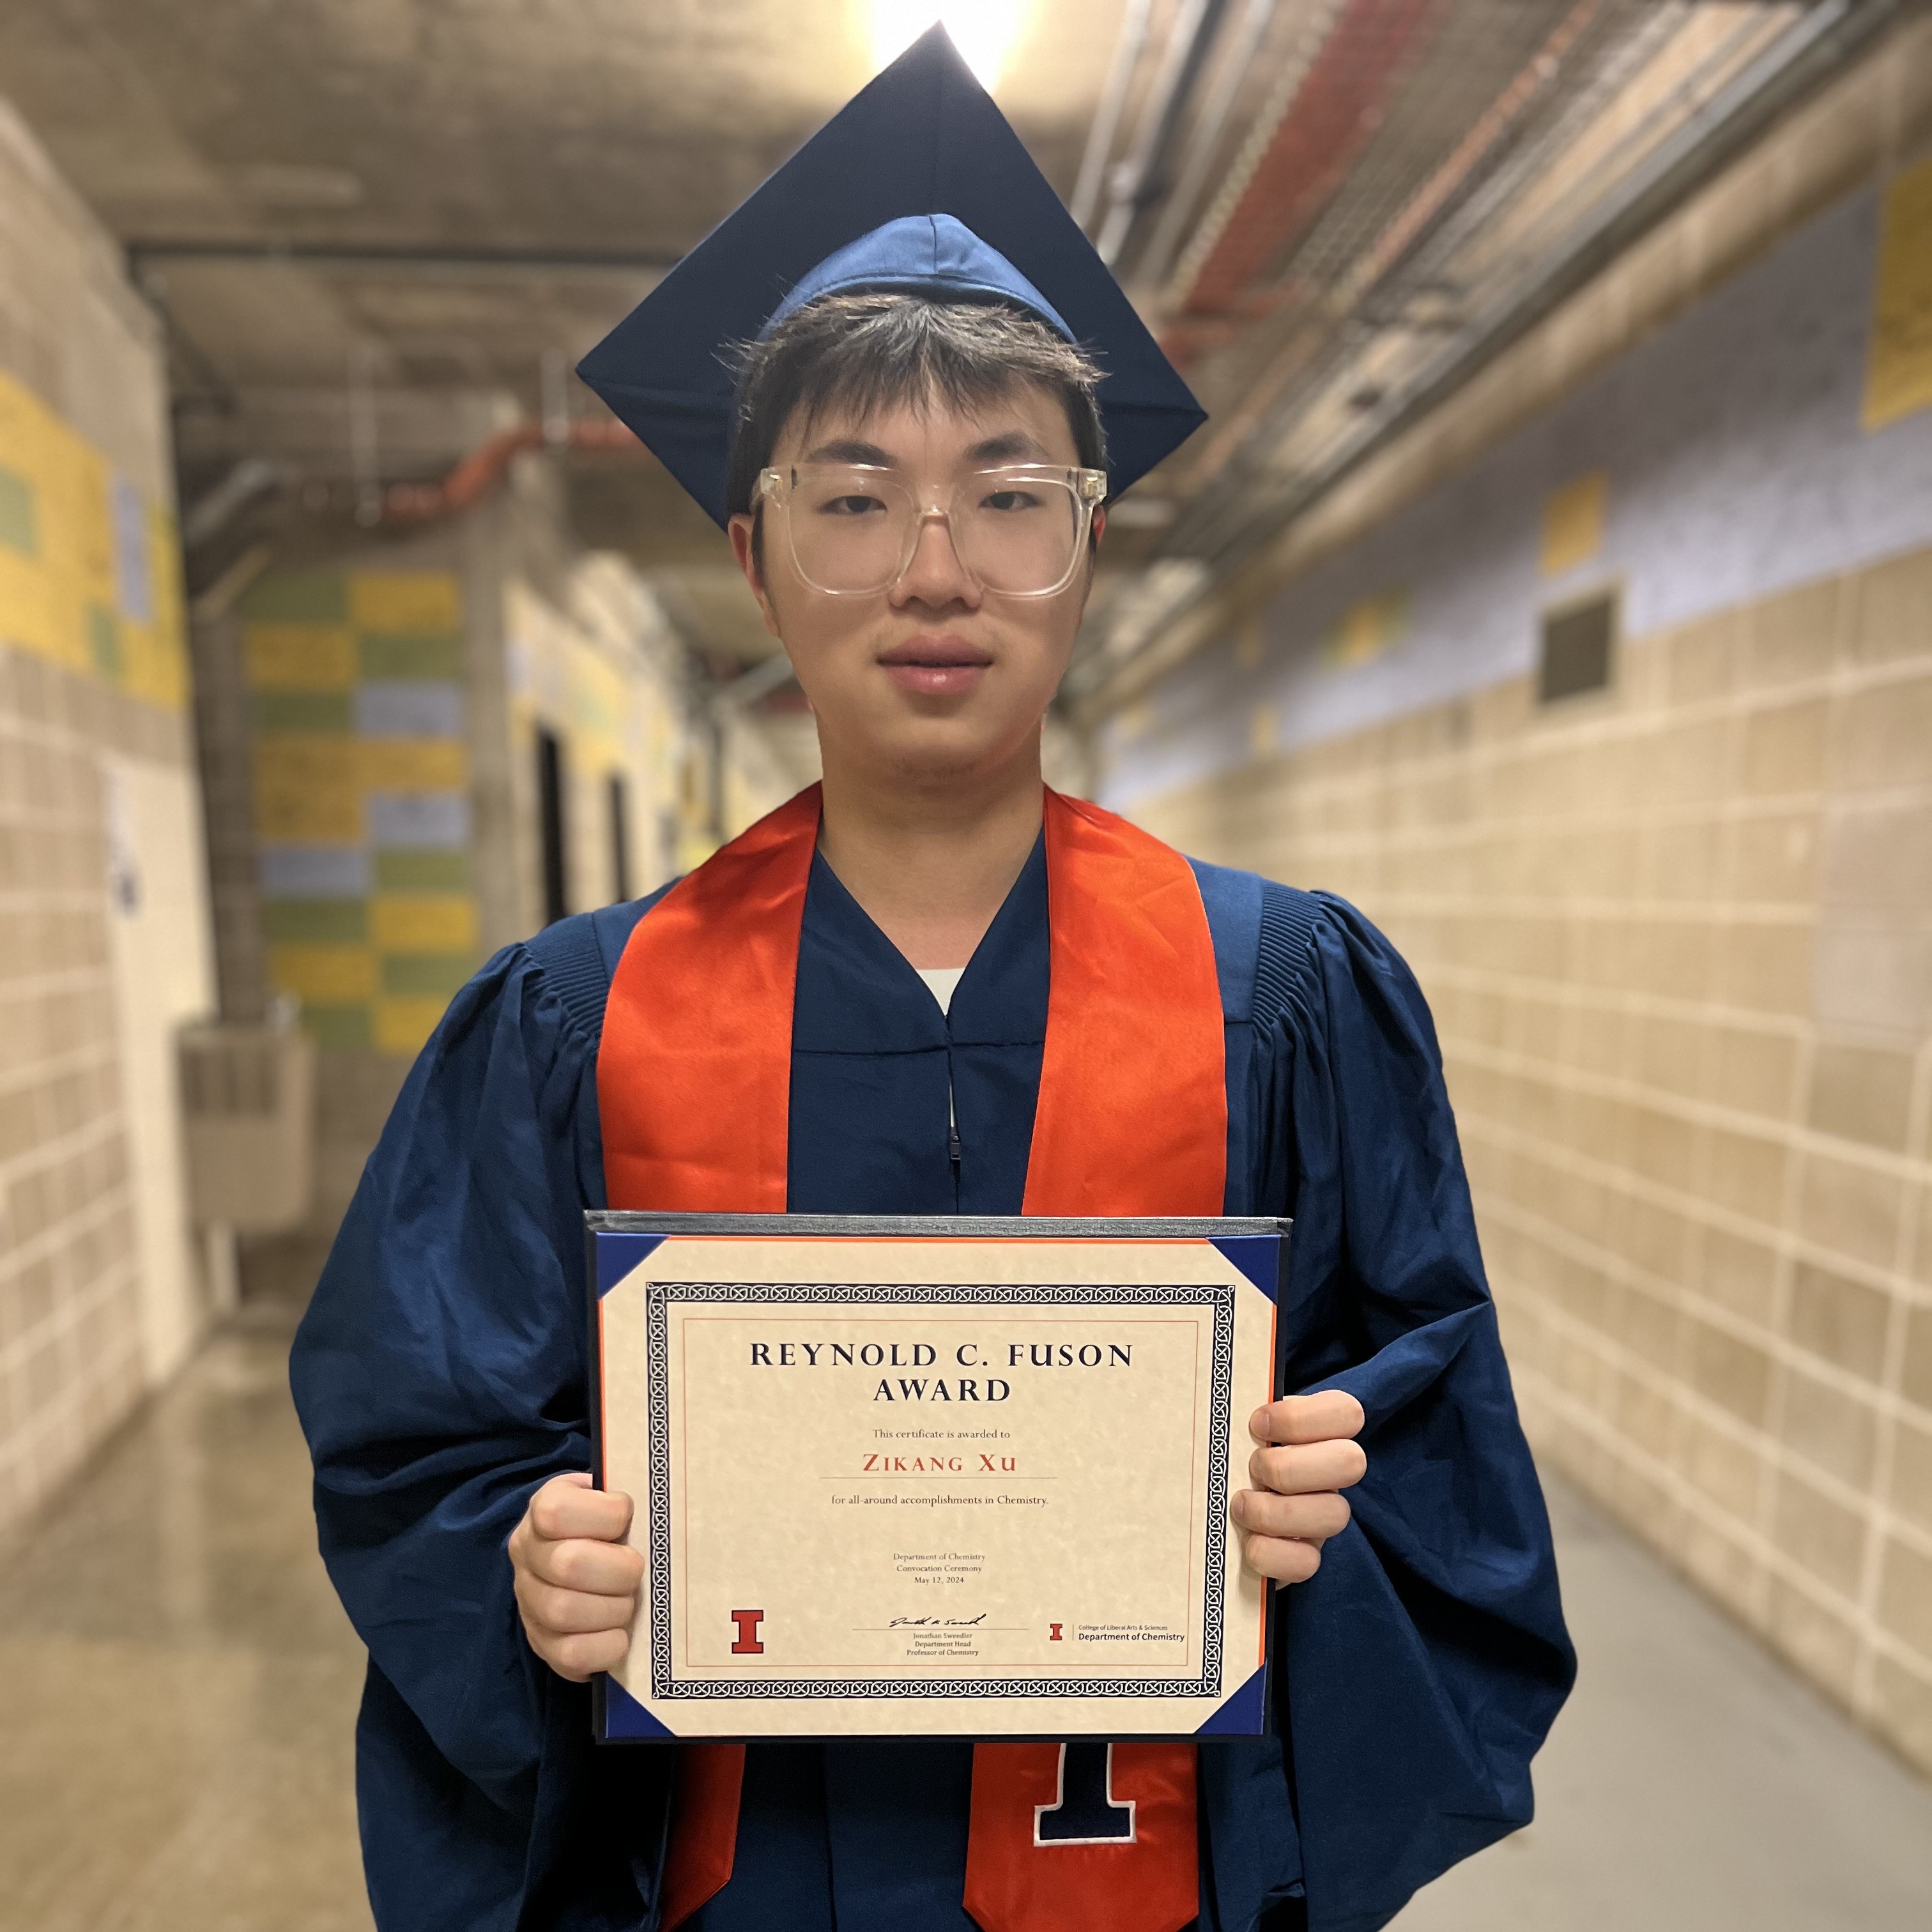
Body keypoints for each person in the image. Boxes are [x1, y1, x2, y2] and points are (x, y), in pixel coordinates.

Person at [291, 27, 1573, 1932]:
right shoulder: (573, 1018)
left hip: (1140, 1881)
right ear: (753, 557)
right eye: (856, 494)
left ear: (1089, 548)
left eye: (1007, 492)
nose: (935, 567)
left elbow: (1432, 1435)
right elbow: (424, 1449)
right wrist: (522, 1569)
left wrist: (1333, 1497)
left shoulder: (1283, 992)